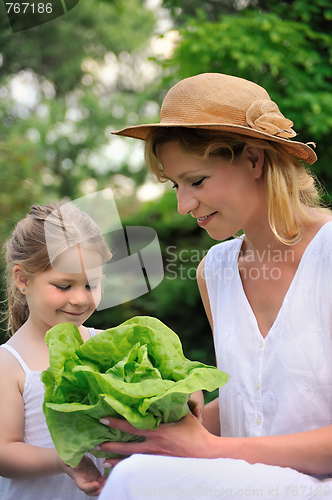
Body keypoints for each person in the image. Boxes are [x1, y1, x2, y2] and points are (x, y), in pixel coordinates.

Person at [96, 73, 332, 499]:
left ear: (255, 160)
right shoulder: (215, 270)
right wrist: (169, 428)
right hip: (248, 481)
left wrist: (208, 449)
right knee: (127, 471)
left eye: (197, 181)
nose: (184, 205)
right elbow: (257, 403)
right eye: (175, 186)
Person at [0, 201, 112, 499]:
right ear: (23, 279)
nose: (80, 299)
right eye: (64, 286)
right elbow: (4, 452)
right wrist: (64, 462)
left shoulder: (108, 345)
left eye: (92, 284)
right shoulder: (10, 363)